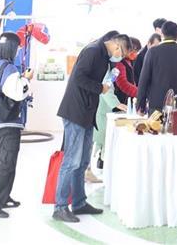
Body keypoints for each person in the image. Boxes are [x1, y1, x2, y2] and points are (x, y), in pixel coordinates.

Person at [53, 30, 121, 224]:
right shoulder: (93, 51)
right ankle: (60, 207)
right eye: (121, 50)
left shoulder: (103, 56)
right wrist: (100, 88)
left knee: (82, 162)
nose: (120, 55)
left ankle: (79, 202)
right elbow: (78, 78)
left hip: (87, 114)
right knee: (71, 161)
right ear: (114, 43)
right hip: (76, 112)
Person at [0, 32, 33, 218]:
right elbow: (18, 93)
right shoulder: (10, 68)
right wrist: (26, 79)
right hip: (7, 122)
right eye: (18, 46)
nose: (19, 50)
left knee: (8, 162)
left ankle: (3, 197)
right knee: (6, 163)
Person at [136, 21, 177, 115]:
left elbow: (144, 80)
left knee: (156, 125)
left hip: (156, 107)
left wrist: (140, 105)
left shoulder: (152, 52)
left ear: (162, 34)